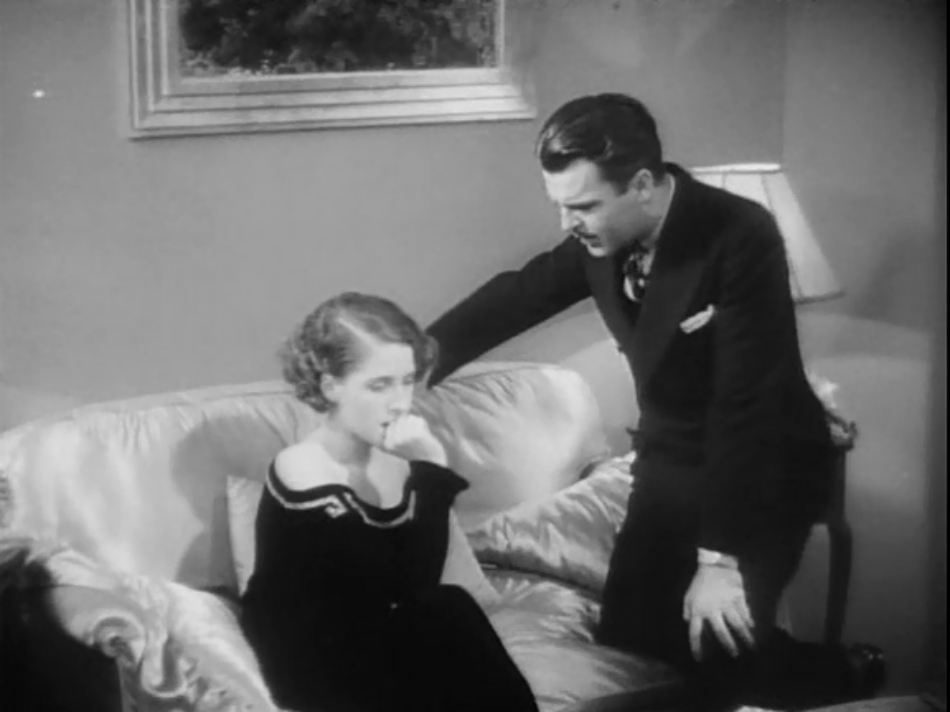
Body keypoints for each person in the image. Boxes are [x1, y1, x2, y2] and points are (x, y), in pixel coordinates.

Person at [426, 93, 884, 711]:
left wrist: (718, 563)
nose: (568, 223)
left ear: (642, 185)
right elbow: (521, 292)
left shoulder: (740, 234)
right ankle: (806, 665)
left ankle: (846, 671)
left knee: (716, 639)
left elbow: (743, 409)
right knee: (632, 637)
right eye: (560, 205)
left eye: (583, 206)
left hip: (763, 467)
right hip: (672, 462)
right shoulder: (599, 238)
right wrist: (419, 359)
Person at [240, 292, 539, 712]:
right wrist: (431, 471)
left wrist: (423, 473)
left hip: (373, 631)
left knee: (451, 608)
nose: (400, 403)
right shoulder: (300, 468)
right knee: (443, 616)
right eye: (379, 385)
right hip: (310, 653)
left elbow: (418, 584)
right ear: (330, 386)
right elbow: (398, 586)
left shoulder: (397, 465)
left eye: (407, 381)